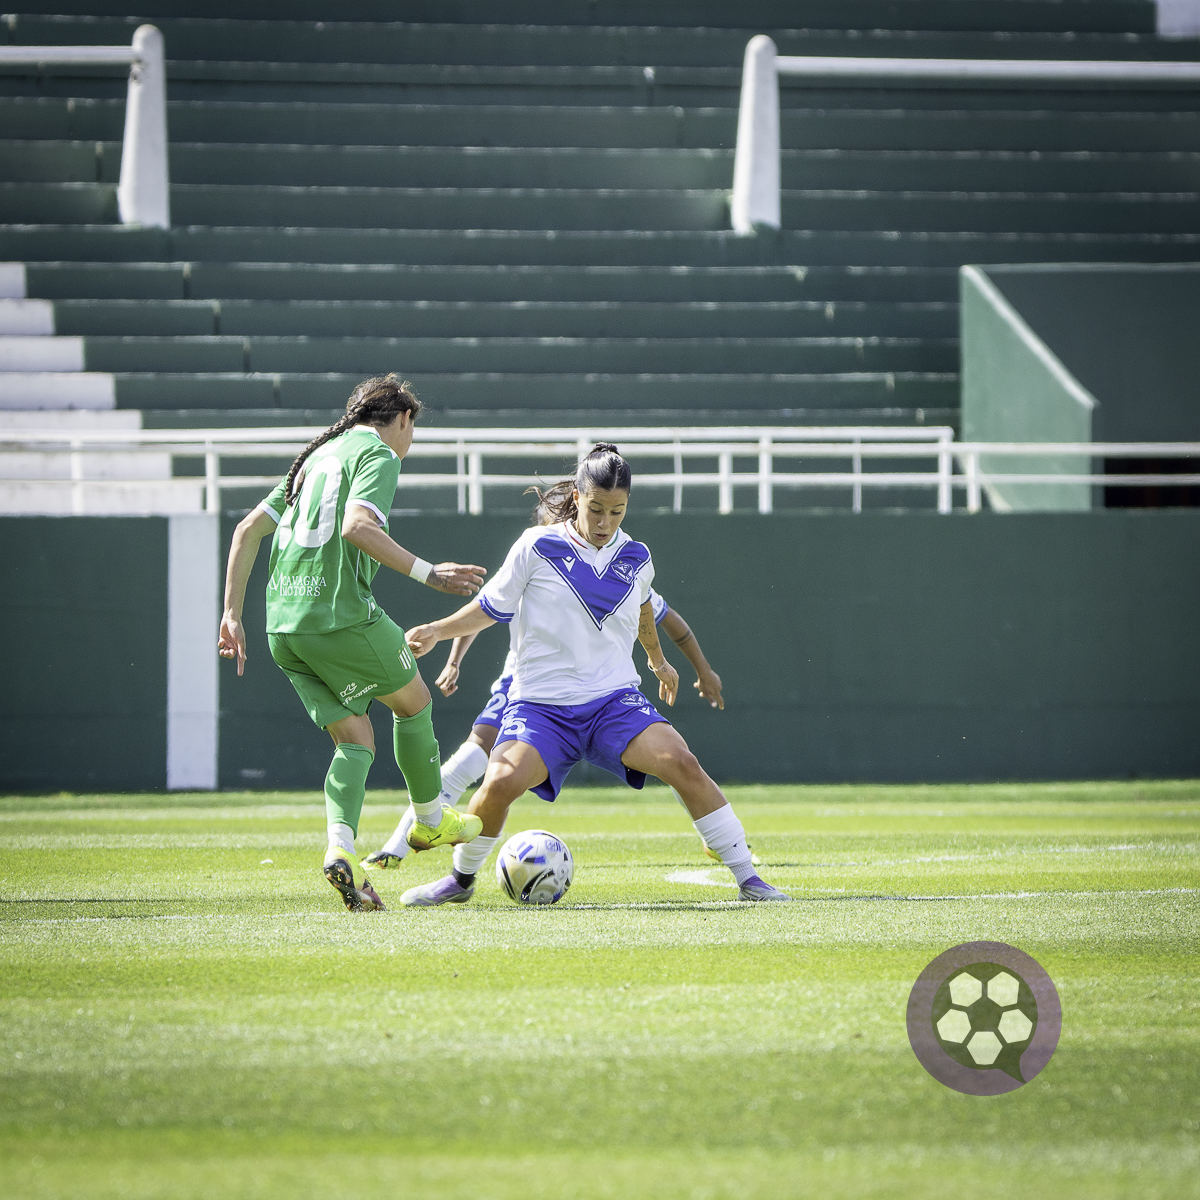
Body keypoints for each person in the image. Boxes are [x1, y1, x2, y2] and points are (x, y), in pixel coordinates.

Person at [396, 442, 791, 906]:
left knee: (682, 762)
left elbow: (644, 609)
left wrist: (657, 660)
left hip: (611, 703)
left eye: (617, 512)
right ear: (578, 497)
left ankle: (748, 878)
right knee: (498, 782)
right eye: (596, 509)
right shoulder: (537, 545)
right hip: (540, 707)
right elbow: (490, 607)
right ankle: (459, 882)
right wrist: (439, 632)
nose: (605, 523)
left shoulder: (637, 556)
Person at [217, 374, 487, 913]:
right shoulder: (378, 454)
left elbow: (246, 530)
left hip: (282, 628)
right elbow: (357, 526)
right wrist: (430, 574)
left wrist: (230, 613)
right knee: (414, 703)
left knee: (356, 740)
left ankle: (340, 849)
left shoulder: (316, 457)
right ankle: (431, 820)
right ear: (403, 419)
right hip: (338, 617)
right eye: (413, 428)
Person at [363, 585, 723, 871]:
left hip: (598, 692)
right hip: (526, 689)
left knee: (669, 758)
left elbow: (664, 615)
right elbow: (483, 608)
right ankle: (401, 850)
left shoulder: (613, 563)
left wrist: (702, 669)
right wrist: (454, 659)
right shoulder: (534, 555)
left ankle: (715, 834)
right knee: (472, 760)